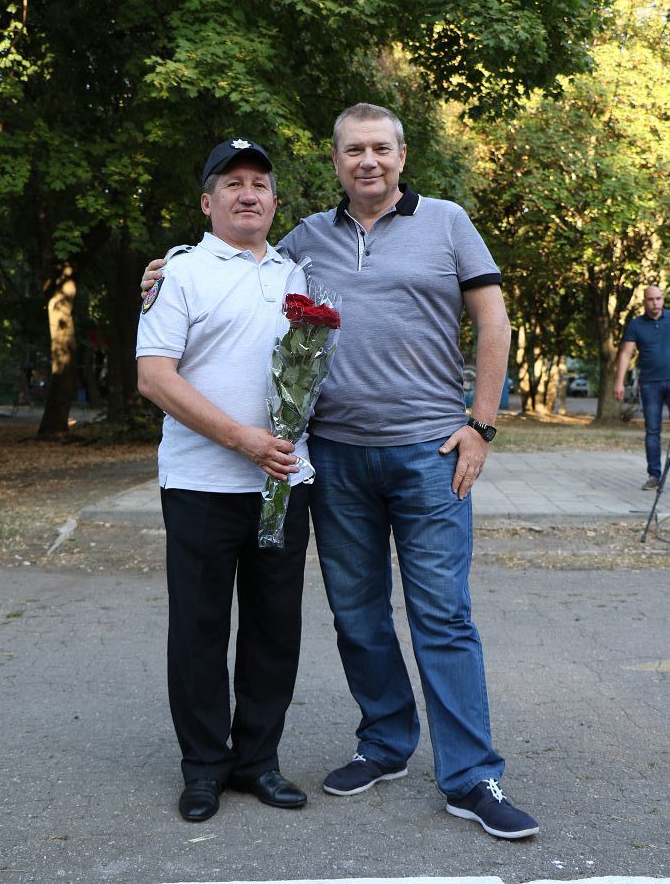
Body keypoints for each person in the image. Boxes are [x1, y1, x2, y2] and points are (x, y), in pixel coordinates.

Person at [141, 104, 539, 839]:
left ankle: (470, 776)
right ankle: (384, 744)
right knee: (356, 616)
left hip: (429, 453)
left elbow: (494, 321)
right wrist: (163, 271)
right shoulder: (305, 242)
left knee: (442, 617)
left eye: (380, 148)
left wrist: (480, 425)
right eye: (353, 149)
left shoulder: (448, 222)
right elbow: (236, 257)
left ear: (401, 155)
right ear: (335, 161)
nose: (368, 160)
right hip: (336, 458)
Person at [136, 139, 311, 823]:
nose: (248, 194)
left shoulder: (298, 276)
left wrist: (274, 449)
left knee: (274, 630)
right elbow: (155, 377)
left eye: (259, 184)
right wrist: (241, 438)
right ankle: (204, 767)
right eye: (232, 183)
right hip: (201, 484)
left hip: (284, 485)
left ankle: (258, 761)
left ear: (274, 202)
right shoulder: (179, 273)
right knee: (199, 630)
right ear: (207, 203)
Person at [613, 285, 670, 490]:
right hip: (649, 385)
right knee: (652, 430)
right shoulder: (636, 325)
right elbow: (626, 354)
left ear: (663, 299)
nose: (655, 303)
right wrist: (619, 381)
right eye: (651, 299)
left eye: (658, 298)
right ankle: (654, 476)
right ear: (644, 302)